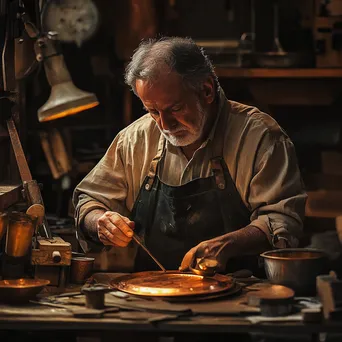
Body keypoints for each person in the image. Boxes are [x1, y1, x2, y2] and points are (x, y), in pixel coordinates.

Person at [72, 36, 307, 274]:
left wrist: (226, 245)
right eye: (153, 111)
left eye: (175, 108)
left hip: (241, 293)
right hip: (153, 293)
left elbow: (282, 221)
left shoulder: (260, 137)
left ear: (206, 90)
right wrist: (100, 221)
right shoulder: (136, 138)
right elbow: (89, 202)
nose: (165, 124)